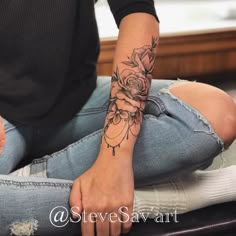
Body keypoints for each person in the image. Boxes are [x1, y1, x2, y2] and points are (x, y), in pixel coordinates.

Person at [0, 0, 236, 235]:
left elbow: (136, 11)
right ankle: (175, 198)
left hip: (80, 99)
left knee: (217, 113)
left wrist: (115, 159)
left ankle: (23, 184)